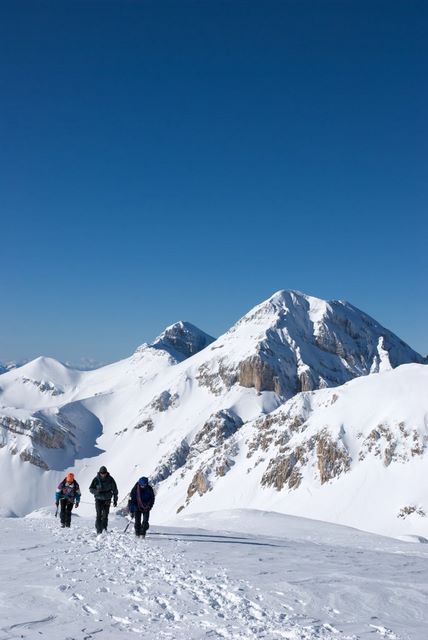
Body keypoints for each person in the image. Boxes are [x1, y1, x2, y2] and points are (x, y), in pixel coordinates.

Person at [89, 465, 118, 534]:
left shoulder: (111, 479)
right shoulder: (96, 479)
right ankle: (99, 530)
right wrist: (96, 491)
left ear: (106, 472)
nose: (103, 474)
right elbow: (91, 489)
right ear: (99, 473)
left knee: (105, 515)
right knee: (99, 515)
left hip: (107, 499)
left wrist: (115, 500)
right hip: (98, 499)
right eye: (102, 473)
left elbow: (115, 490)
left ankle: (104, 528)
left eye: (104, 473)